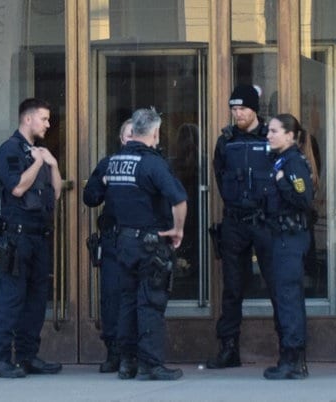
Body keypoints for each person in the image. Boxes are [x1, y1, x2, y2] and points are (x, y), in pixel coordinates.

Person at [82, 107, 187, 381]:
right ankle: (150, 364)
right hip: (148, 244)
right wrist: (177, 230)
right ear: (154, 133)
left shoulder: (114, 162)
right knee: (150, 302)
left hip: (123, 244)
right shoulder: (152, 163)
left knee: (127, 302)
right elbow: (178, 198)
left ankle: (127, 361)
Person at [0, 98, 64, 378]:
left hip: (38, 236)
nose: (47, 124)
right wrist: (36, 163)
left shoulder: (39, 152)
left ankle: (28, 356)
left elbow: (55, 193)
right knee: (12, 297)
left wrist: (53, 165)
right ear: (28, 119)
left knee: (35, 299)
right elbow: (18, 187)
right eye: (44, 119)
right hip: (17, 236)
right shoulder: (9, 149)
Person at [205, 84, 271, 369]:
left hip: (265, 221)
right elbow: (220, 176)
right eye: (234, 109)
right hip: (234, 221)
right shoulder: (226, 140)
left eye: (242, 108)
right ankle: (228, 348)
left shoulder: (272, 135)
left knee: (277, 284)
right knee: (232, 288)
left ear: (254, 109)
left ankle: (290, 350)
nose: (238, 114)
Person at [257, 114, 316, 380]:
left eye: (274, 131)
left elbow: (303, 198)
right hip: (279, 236)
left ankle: (292, 359)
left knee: (289, 298)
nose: (268, 135)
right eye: (268, 131)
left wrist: (281, 181)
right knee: (284, 298)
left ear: (290, 135)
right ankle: (289, 357)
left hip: (289, 237)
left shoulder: (292, 162)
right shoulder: (279, 160)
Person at [85, 118, 133, 373]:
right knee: (112, 297)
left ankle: (132, 353)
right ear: (121, 139)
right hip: (113, 239)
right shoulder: (108, 165)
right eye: (127, 135)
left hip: (138, 240)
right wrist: (103, 182)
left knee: (136, 297)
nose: (130, 139)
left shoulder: (150, 164)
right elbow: (90, 198)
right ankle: (113, 352)